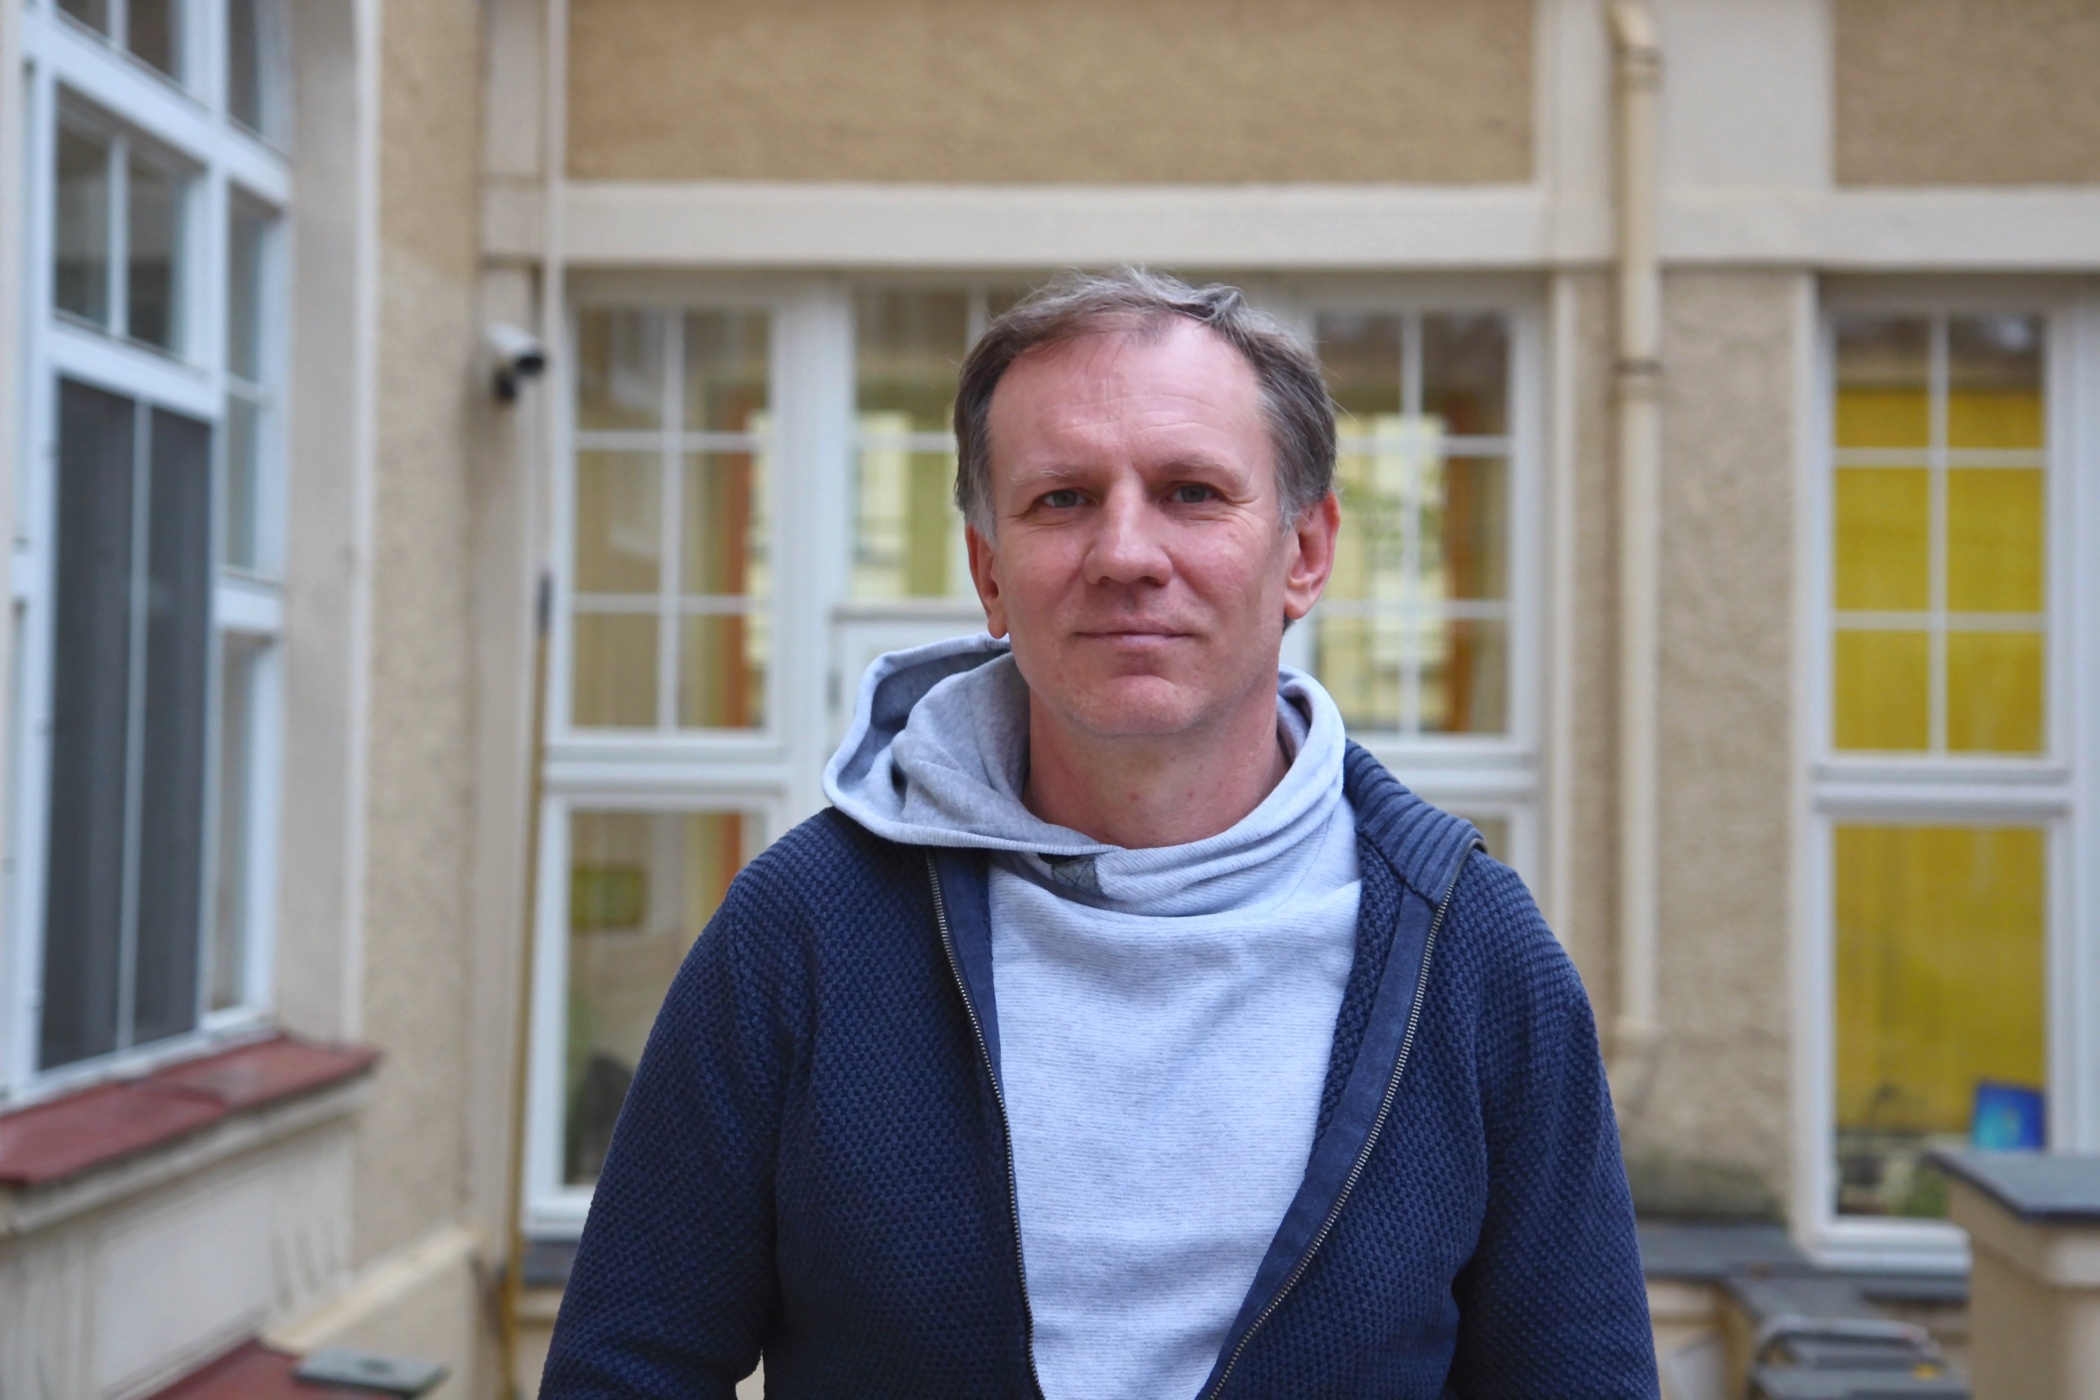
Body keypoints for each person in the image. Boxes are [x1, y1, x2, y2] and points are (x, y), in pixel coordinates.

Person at [540, 270, 1658, 1399]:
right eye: (1063, 498)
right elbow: (625, 1373)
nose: (1126, 553)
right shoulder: (804, 934)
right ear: (989, 573)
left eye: (1191, 492)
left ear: (1306, 553)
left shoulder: (1475, 958)